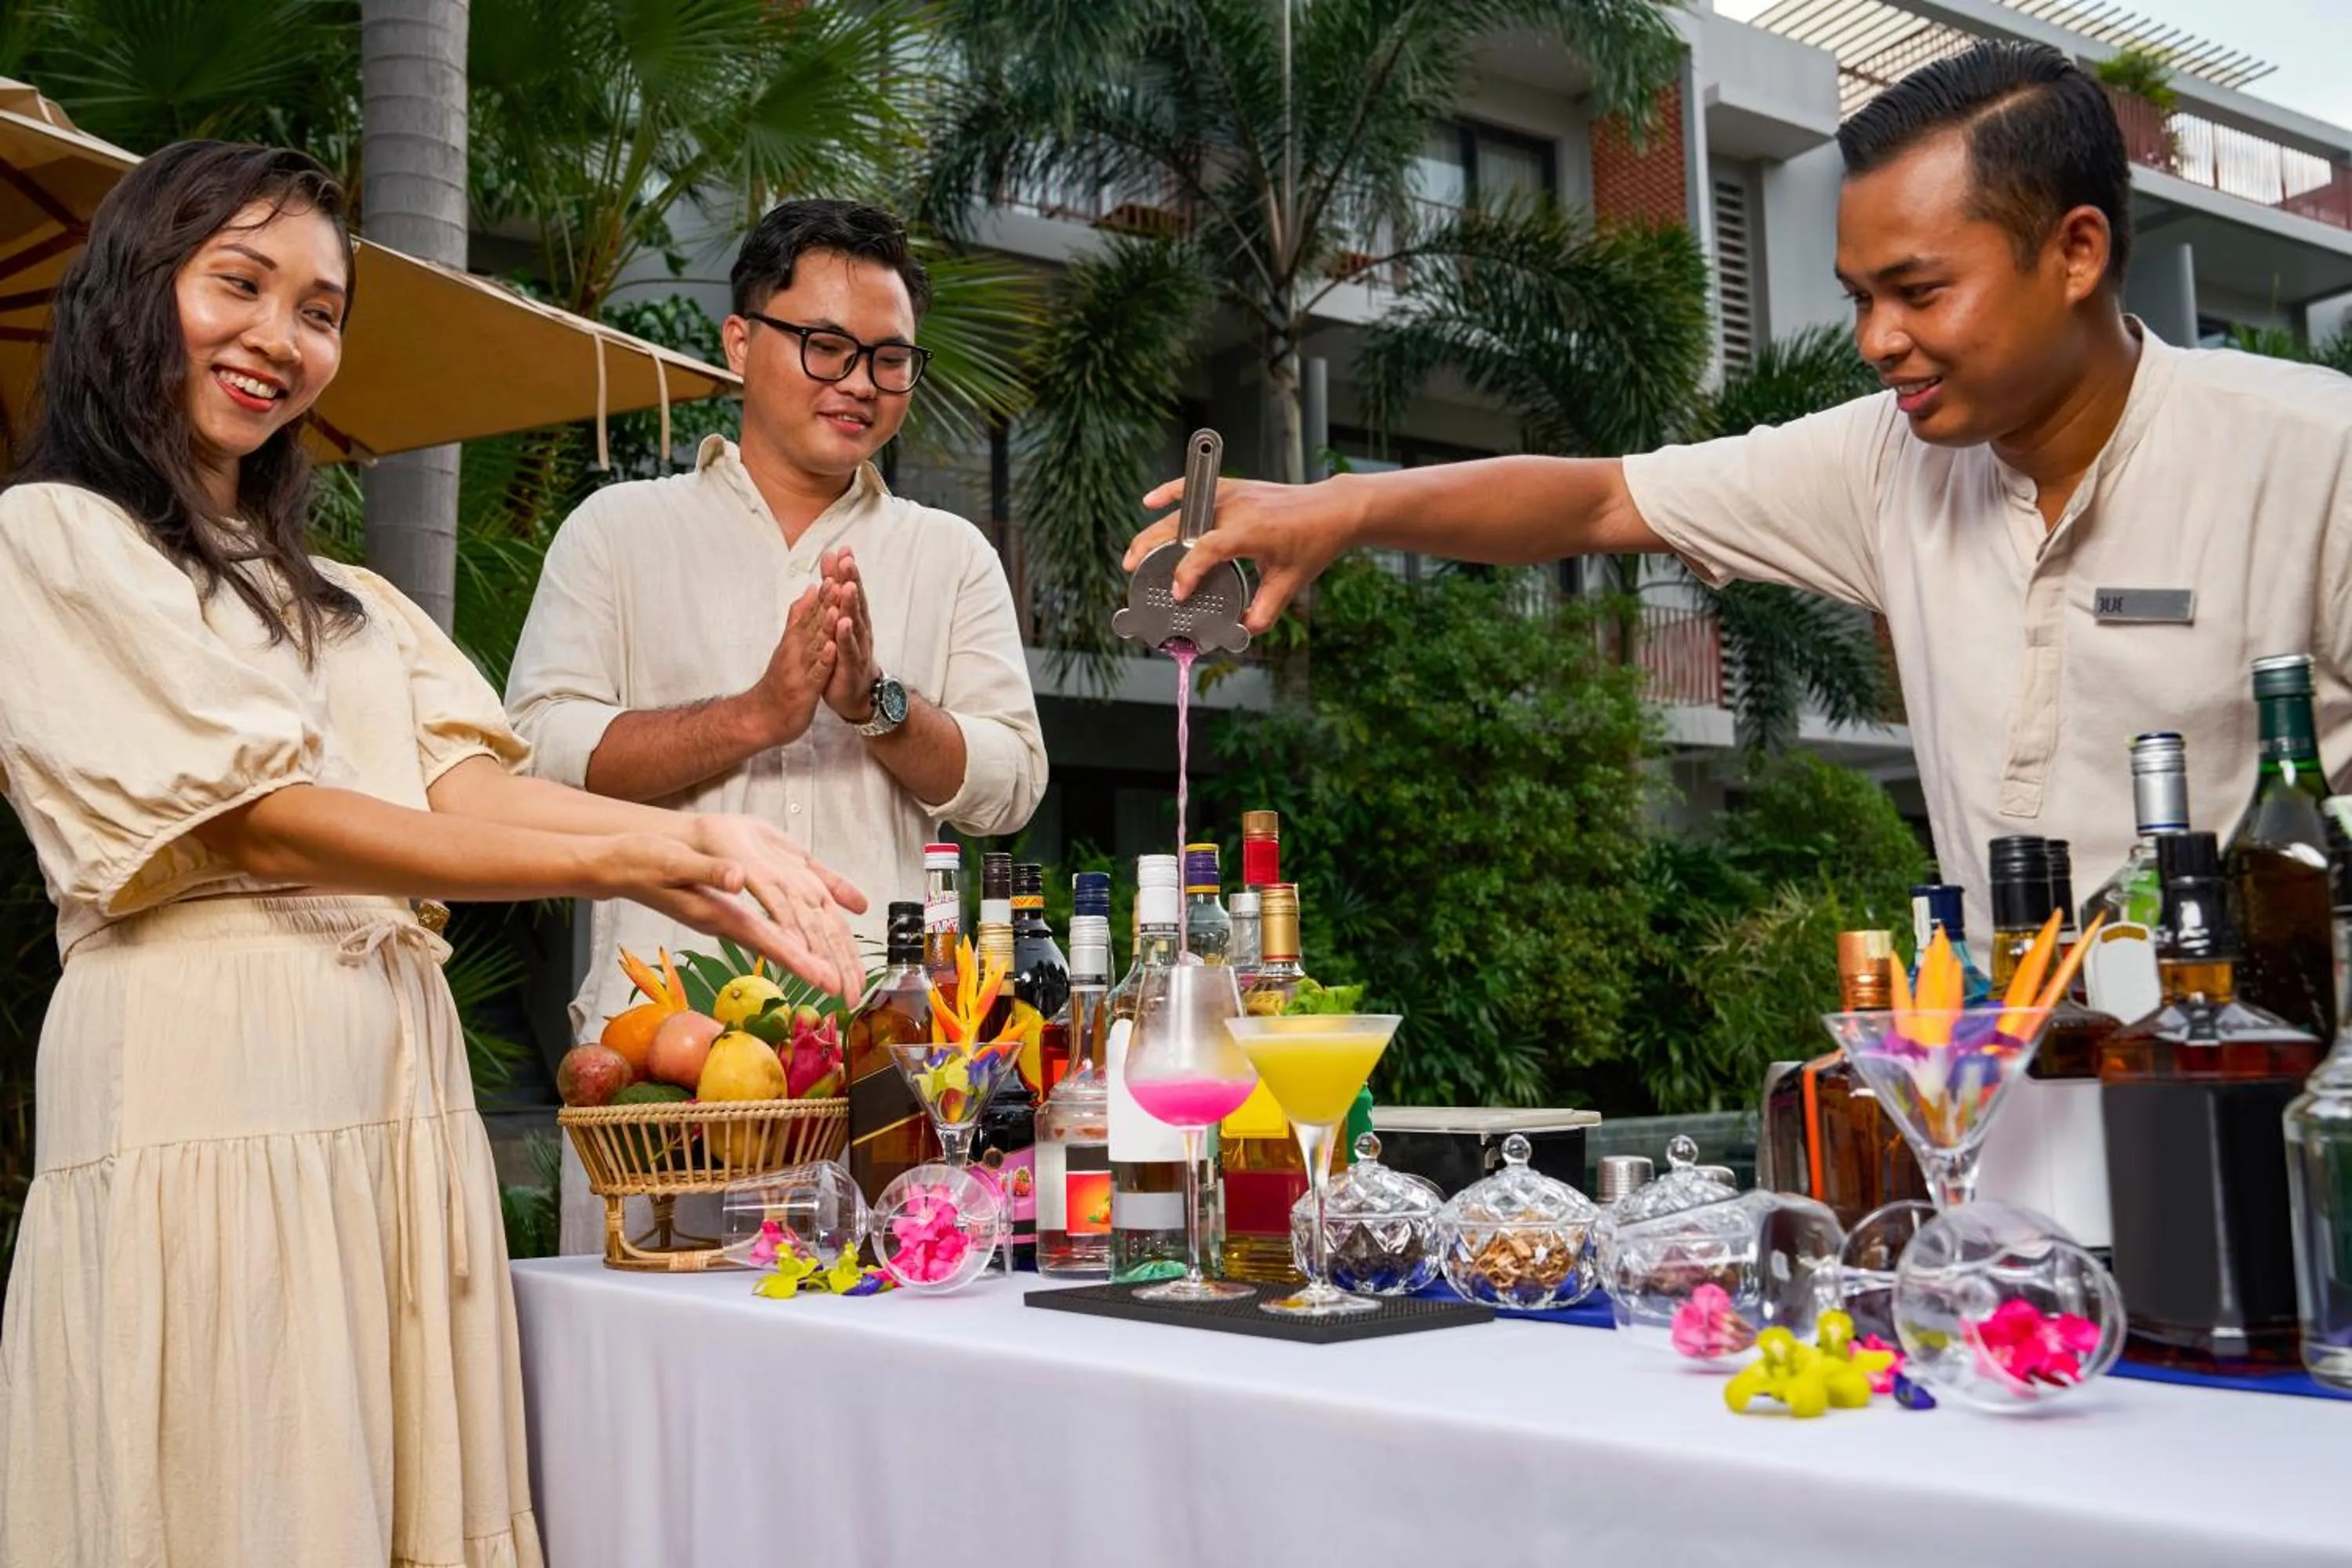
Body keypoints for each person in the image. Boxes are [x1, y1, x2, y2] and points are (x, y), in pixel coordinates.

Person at [0, 142, 865, 1568]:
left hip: (394, 1117)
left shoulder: (347, 601)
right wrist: (627, 865)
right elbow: (254, 815)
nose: (281, 338)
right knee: (244, 1487)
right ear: (135, 292)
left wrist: (692, 840)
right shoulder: (52, 539)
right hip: (210, 1101)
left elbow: (464, 795)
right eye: (242, 285)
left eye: (322, 310)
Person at [1127, 42, 2352, 927]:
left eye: (1920, 293)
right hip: (2016, 1113)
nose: (1879, 341)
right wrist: (1336, 508)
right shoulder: (1890, 458)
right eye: (1859, 300)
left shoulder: (2312, 455)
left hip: (2289, 1116)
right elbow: (1603, 499)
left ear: (2077, 251)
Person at [507, 198, 1046, 1040]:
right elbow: (535, 759)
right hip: (659, 1045)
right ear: (739, 342)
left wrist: (877, 703)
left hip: (888, 1040)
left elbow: (1009, 785)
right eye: (827, 347)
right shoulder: (617, 532)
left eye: (890, 358)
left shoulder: (952, 554)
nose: (861, 382)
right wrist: (753, 716)